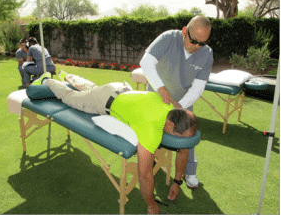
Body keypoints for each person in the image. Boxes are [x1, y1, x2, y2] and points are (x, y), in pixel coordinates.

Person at [30, 70, 199, 214]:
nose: (180, 142)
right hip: (102, 101)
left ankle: (69, 77)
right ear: (170, 124)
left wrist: (177, 181)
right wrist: (151, 205)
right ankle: (47, 79)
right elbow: (145, 175)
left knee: (92, 89)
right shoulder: (150, 129)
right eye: (179, 137)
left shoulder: (172, 105)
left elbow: (183, 149)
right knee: (69, 96)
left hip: (120, 88)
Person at [139, 15, 213, 193]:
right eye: (194, 40)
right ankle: (152, 160)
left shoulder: (207, 53)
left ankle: (189, 172)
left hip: (183, 101)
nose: (197, 46)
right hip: (156, 98)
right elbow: (146, 62)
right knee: (152, 134)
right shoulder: (169, 38)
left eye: (201, 43)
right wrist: (161, 88)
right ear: (184, 31)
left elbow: (198, 87)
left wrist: (180, 105)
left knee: (187, 137)